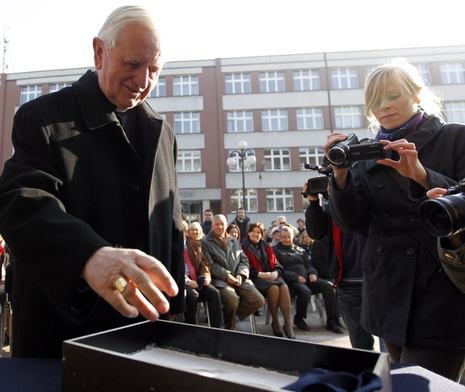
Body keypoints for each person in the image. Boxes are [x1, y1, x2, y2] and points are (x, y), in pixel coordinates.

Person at [0, 6, 184, 358]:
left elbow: (171, 224)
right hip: (61, 331)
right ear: (99, 51)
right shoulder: (42, 118)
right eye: (132, 64)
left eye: (154, 70)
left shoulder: (163, 134)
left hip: (143, 329)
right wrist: (89, 256)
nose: (143, 81)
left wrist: (174, 304)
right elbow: (22, 201)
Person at [326, 57, 465, 380]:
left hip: (442, 286)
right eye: (375, 101)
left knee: (422, 385)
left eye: (392, 96)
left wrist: (422, 176)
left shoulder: (455, 138)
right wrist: (341, 174)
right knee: (398, 382)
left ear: (417, 95)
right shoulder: (365, 153)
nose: (383, 107)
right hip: (387, 287)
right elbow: (352, 224)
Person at [303, 183, 375, 351]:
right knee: (360, 342)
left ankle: (393, 373)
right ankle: (367, 375)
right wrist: (313, 202)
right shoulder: (332, 208)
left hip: (376, 279)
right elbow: (316, 232)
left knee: (390, 338)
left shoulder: (370, 197)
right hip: (347, 281)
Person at [273, 226, 345, 334]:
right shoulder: (275, 251)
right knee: (305, 292)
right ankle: (299, 318)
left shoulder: (300, 250)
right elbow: (279, 269)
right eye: (284, 237)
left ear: (293, 237)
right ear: (280, 237)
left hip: (307, 279)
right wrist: (296, 277)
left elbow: (309, 265)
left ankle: (332, 319)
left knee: (329, 286)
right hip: (291, 281)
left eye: (289, 237)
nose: (287, 239)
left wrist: (312, 273)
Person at [201, 214, 265, 330]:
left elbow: (244, 260)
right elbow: (210, 264)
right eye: (217, 224)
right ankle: (230, 326)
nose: (220, 227)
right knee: (232, 298)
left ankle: (230, 316)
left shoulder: (233, 241)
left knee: (259, 300)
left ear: (226, 225)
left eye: (222, 224)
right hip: (221, 280)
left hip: (239, 278)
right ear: (212, 225)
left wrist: (241, 274)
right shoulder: (205, 242)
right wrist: (227, 276)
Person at [242, 222, 295, 339]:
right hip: (256, 277)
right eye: (253, 231)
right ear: (249, 233)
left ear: (262, 234)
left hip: (272, 274)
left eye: (258, 232)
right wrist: (262, 274)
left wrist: (276, 272)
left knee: (284, 287)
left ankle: (288, 325)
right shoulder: (243, 247)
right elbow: (244, 268)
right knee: (274, 288)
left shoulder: (266, 246)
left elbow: (275, 262)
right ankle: (275, 322)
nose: (256, 234)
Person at [183, 222, 223, 328]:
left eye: (197, 230)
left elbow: (205, 264)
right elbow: (176, 268)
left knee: (214, 293)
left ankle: (217, 329)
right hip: (185, 280)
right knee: (192, 296)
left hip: (198, 279)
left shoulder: (201, 246)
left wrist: (205, 277)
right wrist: (187, 281)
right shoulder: (181, 246)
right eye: (192, 230)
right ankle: (191, 329)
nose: (194, 232)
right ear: (187, 232)